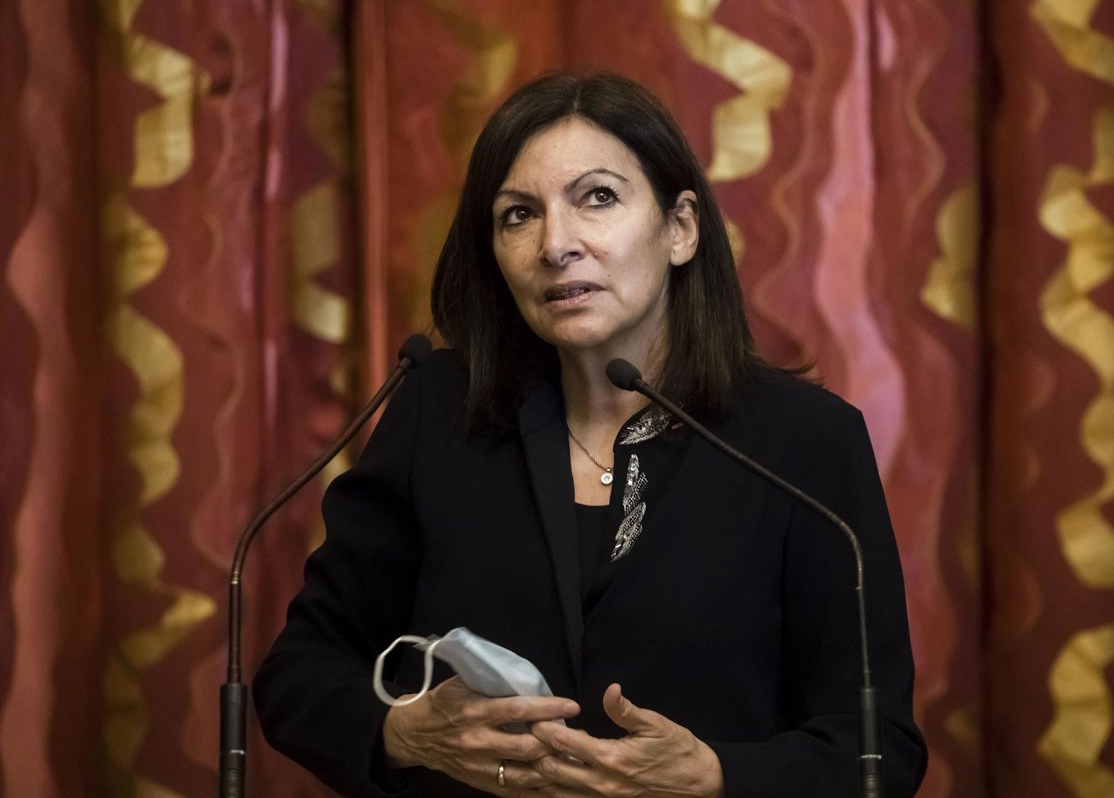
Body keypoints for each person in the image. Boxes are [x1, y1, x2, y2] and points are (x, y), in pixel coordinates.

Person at [253, 72, 927, 797]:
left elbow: (879, 749)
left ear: (680, 228)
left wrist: (717, 778)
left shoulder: (803, 443)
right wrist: (404, 733)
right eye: (518, 215)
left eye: (597, 198)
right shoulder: (438, 412)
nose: (556, 244)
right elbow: (299, 673)